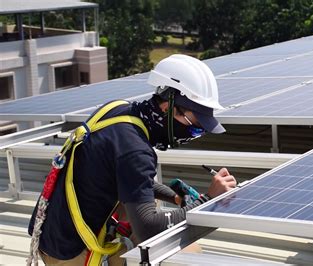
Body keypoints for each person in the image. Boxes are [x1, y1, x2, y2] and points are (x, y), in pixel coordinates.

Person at [28, 54, 237, 265]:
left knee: (147, 202)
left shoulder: (117, 110)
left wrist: (173, 197)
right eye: (195, 127)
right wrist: (208, 199)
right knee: (189, 254)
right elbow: (148, 228)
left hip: (51, 229)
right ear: (168, 109)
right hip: (68, 252)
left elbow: (128, 176)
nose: (194, 134)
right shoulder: (136, 150)